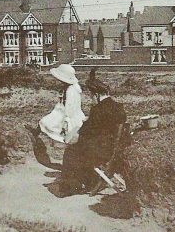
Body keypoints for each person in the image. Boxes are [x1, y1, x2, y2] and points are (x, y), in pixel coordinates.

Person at [39, 69, 129, 197]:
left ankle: (69, 187)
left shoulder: (98, 110)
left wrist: (78, 131)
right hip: (111, 150)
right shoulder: (117, 107)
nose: (91, 99)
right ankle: (90, 181)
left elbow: (85, 132)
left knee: (71, 152)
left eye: (91, 96)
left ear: (96, 95)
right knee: (80, 149)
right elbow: (99, 127)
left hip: (102, 153)